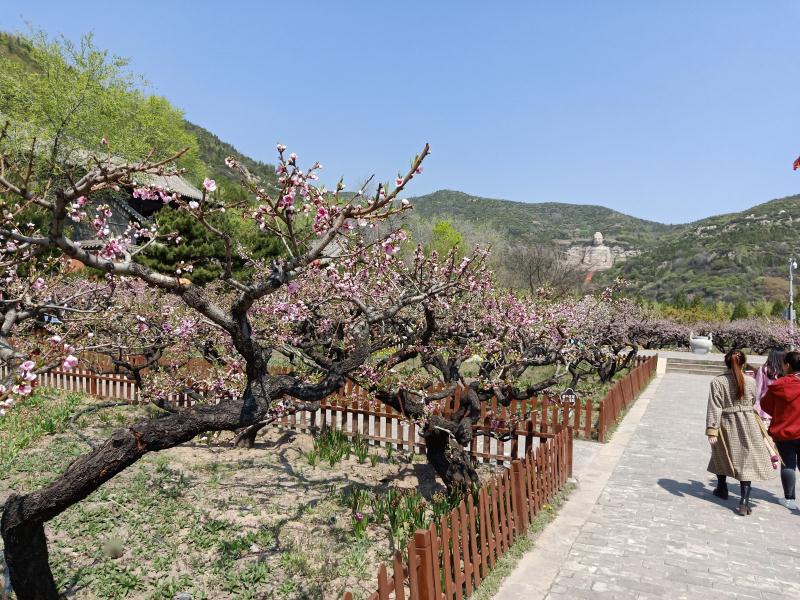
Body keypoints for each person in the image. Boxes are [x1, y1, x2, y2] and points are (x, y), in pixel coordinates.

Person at [706, 349, 774, 516]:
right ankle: (744, 501)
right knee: (746, 459)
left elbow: (715, 406)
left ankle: (722, 488)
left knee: (721, 454)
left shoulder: (718, 382)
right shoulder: (750, 381)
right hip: (749, 422)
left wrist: (712, 429)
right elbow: (752, 401)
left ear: (726, 362)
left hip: (727, 422)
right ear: (743, 363)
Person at [760, 350, 800, 511]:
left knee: (788, 465)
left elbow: (765, 405)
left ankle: (789, 499)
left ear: (788, 365)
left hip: (783, 432)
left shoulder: (778, 385)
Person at [754, 348, 785, 427]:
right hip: (781, 406)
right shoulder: (785, 371)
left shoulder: (764, 369)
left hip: (765, 405)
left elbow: (758, 389)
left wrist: (755, 404)